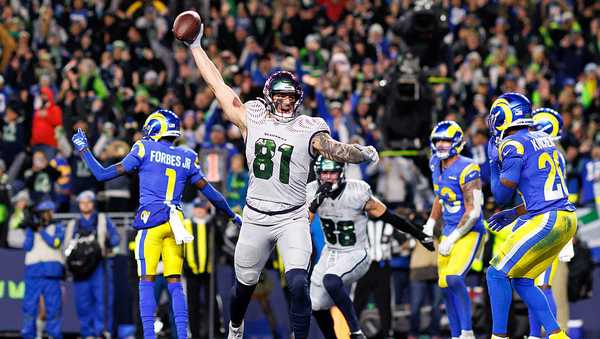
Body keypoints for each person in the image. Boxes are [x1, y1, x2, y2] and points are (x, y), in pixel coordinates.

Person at [182, 20, 379, 339]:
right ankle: (235, 328)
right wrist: (196, 47)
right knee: (241, 291)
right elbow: (218, 86)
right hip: (256, 216)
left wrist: (359, 153)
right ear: (269, 95)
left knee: (300, 283)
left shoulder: (309, 126)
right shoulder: (253, 116)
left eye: (291, 96)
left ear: (298, 98)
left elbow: (331, 148)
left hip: (292, 217)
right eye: (280, 95)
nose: (286, 101)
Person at [71, 109, 241, 339]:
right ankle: (182, 335)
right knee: (175, 283)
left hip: (151, 221)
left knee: (147, 282)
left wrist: (83, 149)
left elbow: (101, 174)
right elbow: (213, 194)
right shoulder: (187, 156)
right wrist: (232, 215)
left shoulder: (144, 148)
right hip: (176, 224)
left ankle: (149, 336)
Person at [307, 156, 434, 339]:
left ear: (341, 173)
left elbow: (390, 217)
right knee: (316, 304)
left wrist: (419, 235)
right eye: (324, 173)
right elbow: (302, 225)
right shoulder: (312, 192)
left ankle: (356, 331)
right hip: (331, 251)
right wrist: (314, 204)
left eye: (332, 172)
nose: (327, 177)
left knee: (331, 280)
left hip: (356, 252)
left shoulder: (357, 192)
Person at [486, 93, 576, 339]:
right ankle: (558, 336)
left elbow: (502, 193)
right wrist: (514, 213)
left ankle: (499, 337)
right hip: (566, 219)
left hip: (547, 220)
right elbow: (545, 192)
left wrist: (493, 163)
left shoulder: (512, 144)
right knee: (523, 280)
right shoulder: (545, 139)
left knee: (495, 273)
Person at [423, 121, 486, 339]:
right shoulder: (435, 164)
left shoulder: (468, 167)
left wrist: (455, 236)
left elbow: (474, 211)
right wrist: (431, 222)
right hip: (448, 229)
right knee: (444, 284)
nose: (440, 145)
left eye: (446, 140)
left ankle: (467, 332)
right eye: (437, 140)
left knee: (454, 278)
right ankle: (455, 333)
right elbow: (441, 196)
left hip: (469, 230)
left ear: (457, 142)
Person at [526, 107, 575, 339]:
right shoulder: (553, 153)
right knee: (530, 285)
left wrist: (567, 240)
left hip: (550, 224)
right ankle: (536, 335)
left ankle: (549, 335)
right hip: (541, 222)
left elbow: (561, 196)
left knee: (542, 286)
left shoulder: (551, 155)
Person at [64, 190, 120, 338]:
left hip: (99, 265)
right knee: (82, 302)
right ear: (79, 205)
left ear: (93, 203)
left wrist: (109, 241)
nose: (85, 205)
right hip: (80, 268)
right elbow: (65, 246)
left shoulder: (102, 219)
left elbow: (116, 238)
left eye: (88, 201)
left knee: (102, 300)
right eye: (82, 202)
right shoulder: (73, 224)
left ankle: (102, 332)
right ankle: (86, 333)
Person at [22, 200, 64, 339]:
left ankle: (54, 335)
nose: (48, 214)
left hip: (52, 273)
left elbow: (55, 243)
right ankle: (29, 335)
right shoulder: (31, 229)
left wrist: (41, 231)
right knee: (29, 308)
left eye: (50, 211)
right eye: (45, 212)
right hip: (33, 273)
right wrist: (31, 229)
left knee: (53, 310)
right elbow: (27, 246)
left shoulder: (58, 227)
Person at [183, 198, 220, 339]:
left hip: (209, 272)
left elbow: (219, 244)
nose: (199, 211)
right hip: (191, 271)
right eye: (197, 208)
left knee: (212, 303)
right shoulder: (186, 225)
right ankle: (195, 333)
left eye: (202, 208)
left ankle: (214, 332)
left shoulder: (212, 225)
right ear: (193, 209)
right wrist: (185, 265)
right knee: (193, 304)